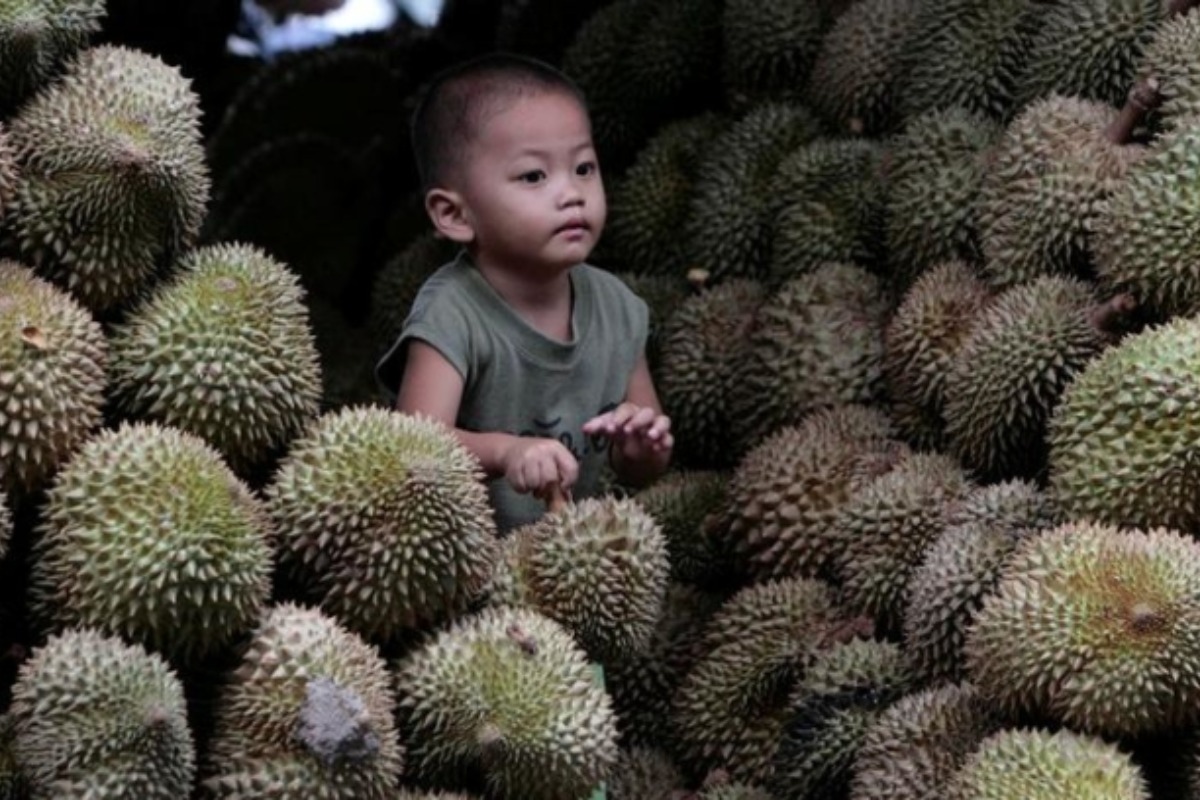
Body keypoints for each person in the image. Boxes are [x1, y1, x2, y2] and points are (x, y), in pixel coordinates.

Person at [376, 53, 673, 533]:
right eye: (534, 176)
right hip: (464, 562)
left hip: (570, 558)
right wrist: (506, 452)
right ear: (454, 215)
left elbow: (639, 464)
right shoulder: (452, 312)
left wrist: (642, 448)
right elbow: (412, 444)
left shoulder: (618, 308)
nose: (572, 193)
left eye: (584, 168)